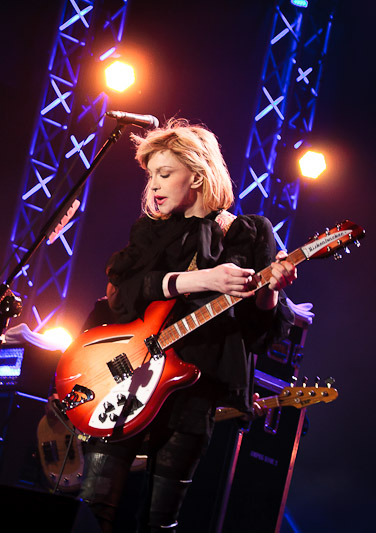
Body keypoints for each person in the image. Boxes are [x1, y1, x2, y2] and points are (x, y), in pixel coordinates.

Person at [76, 119, 297, 531]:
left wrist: (271, 291)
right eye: (151, 176)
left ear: (196, 175)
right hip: (127, 378)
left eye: (164, 174)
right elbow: (120, 294)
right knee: (92, 509)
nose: (153, 186)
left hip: (192, 392)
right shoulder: (153, 232)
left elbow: (257, 335)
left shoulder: (248, 233)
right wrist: (199, 280)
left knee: (160, 521)